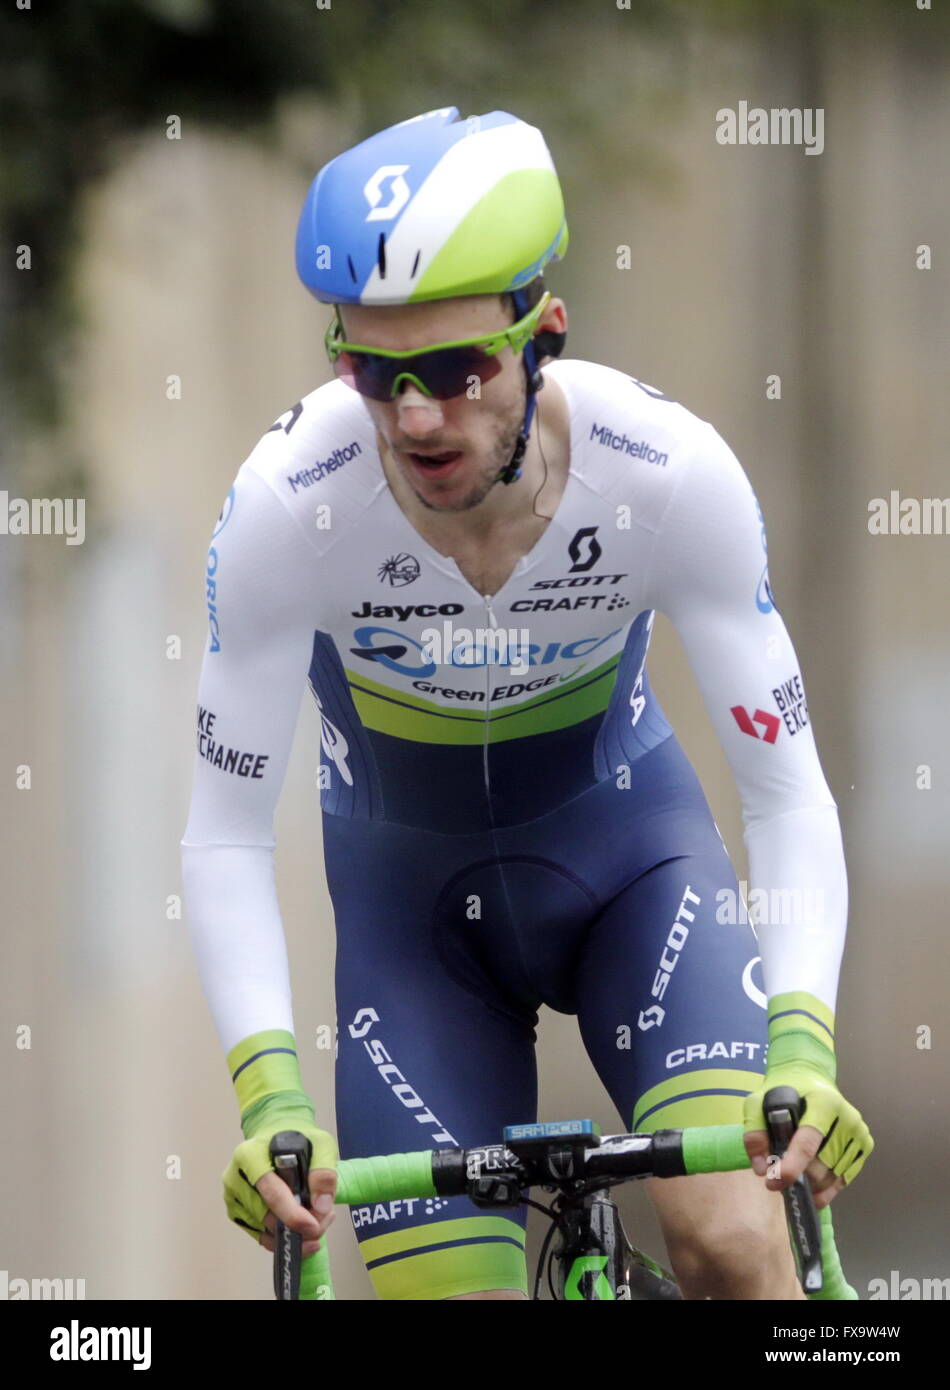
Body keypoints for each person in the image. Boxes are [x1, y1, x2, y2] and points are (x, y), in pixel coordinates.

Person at [180, 106, 872, 1301]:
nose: (412, 420)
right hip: (411, 934)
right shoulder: (289, 504)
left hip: (632, 872)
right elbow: (223, 831)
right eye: (372, 373)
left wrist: (803, 1044)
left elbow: (784, 791)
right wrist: (269, 1095)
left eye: (453, 371)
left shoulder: (664, 474)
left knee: (730, 1242)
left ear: (541, 335)